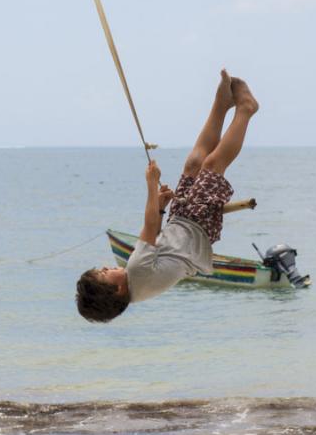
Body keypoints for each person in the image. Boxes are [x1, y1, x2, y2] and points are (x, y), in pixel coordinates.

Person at [76, 71, 259, 322]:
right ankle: (246, 109)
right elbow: (149, 226)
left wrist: (162, 208)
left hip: (183, 223)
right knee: (212, 165)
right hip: (197, 226)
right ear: (117, 289)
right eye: (104, 272)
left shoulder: (139, 288)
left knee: (194, 164)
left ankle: (222, 104)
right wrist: (151, 185)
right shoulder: (136, 271)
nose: (106, 267)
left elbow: (159, 245)